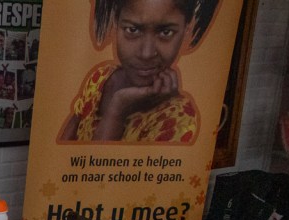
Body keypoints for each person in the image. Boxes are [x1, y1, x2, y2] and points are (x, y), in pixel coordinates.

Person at [58, 0, 219, 144]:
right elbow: (65, 146)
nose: (146, 53)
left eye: (166, 32)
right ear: (116, 23)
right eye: (133, 30)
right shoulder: (100, 77)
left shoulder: (177, 118)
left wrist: (117, 110)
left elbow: (96, 167)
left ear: (186, 30)